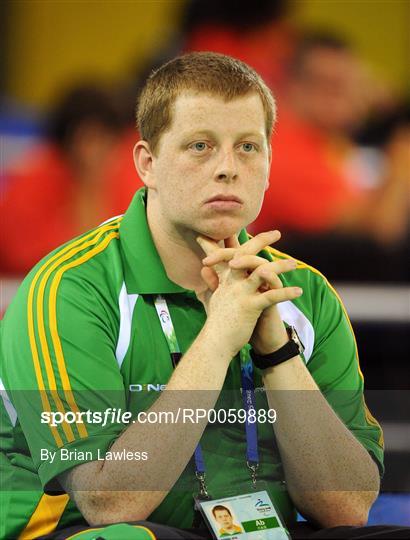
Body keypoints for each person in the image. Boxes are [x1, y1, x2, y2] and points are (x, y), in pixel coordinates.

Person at [2, 52, 408, 540]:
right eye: (200, 146)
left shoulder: (307, 294)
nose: (227, 169)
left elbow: (347, 508)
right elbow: (108, 501)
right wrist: (218, 338)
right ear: (147, 164)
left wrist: (277, 351)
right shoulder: (69, 288)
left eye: (248, 147)